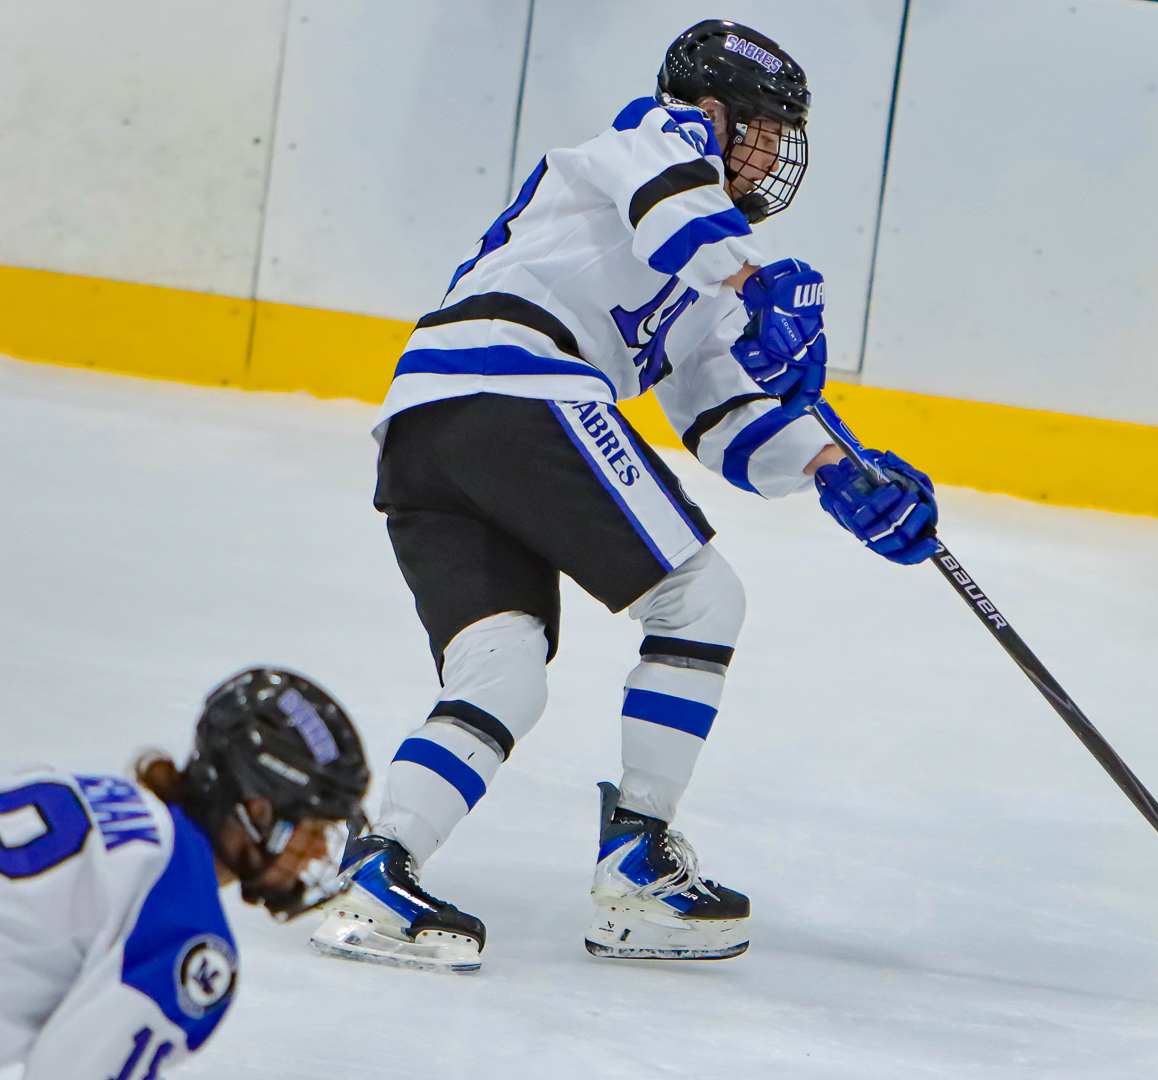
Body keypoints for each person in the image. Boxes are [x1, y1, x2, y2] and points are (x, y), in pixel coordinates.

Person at [314, 19, 937, 973]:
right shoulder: (657, 135)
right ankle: (637, 864)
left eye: (781, 137)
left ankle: (377, 874)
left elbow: (723, 418)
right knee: (704, 596)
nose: (770, 153)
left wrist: (838, 473)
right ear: (711, 111)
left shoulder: (708, 284)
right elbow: (677, 215)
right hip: (515, 386)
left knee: (503, 671)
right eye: (759, 127)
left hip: (430, 424)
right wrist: (758, 279)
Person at [0, 668, 368, 1080]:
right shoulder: (191, 931)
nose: (319, 851)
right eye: (311, 828)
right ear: (256, 811)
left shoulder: (90, 790)